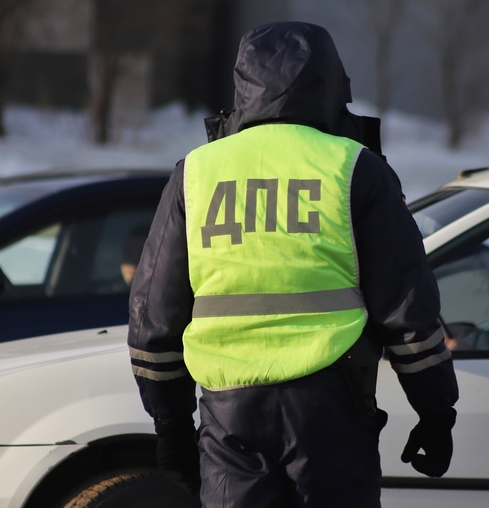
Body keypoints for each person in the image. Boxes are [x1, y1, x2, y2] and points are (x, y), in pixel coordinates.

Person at [127, 22, 458, 508]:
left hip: (228, 410)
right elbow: (406, 308)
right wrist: (434, 412)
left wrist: (171, 426)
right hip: (332, 406)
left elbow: (154, 317)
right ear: (332, 83)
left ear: (242, 84)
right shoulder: (355, 167)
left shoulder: (196, 172)